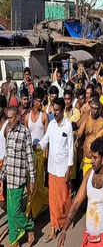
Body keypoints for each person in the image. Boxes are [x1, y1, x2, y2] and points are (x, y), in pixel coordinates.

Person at [58, 137, 103, 247]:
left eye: (95, 158)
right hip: (89, 239)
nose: (91, 161)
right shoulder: (89, 174)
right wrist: (65, 229)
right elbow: (77, 202)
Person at [37, 97, 74, 242]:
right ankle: (54, 227)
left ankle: (66, 221)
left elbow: (70, 148)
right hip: (52, 169)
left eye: (58, 110)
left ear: (63, 110)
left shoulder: (68, 125)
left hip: (63, 168)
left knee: (64, 199)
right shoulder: (51, 125)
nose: (56, 113)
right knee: (53, 201)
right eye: (54, 109)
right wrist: (34, 147)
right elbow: (44, 141)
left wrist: (69, 168)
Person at [0, 106, 35, 247]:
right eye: (7, 118)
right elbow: (7, 156)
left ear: (18, 117)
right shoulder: (9, 131)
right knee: (10, 212)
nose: (8, 121)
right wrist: (1, 175)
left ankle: (29, 227)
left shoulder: (25, 132)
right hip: (9, 177)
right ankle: (15, 241)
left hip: (19, 179)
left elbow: (29, 157)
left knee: (15, 212)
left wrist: (32, 179)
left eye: (11, 118)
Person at [25, 88, 49, 220]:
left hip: (40, 155)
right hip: (29, 156)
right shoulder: (27, 117)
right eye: (39, 101)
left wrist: (46, 157)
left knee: (38, 184)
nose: (40, 104)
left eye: (42, 101)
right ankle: (32, 210)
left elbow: (47, 137)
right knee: (30, 185)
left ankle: (33, 210)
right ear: (33, 101)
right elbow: (25, 136)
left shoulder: (44, 116)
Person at [77, 98, 103, 175]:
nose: (94, 111)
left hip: (98, 160)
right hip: (87, 158)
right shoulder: (86, 119)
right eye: (92, 108)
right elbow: (79, 134)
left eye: (96, 108)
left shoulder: (102, 122)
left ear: (99, 109)